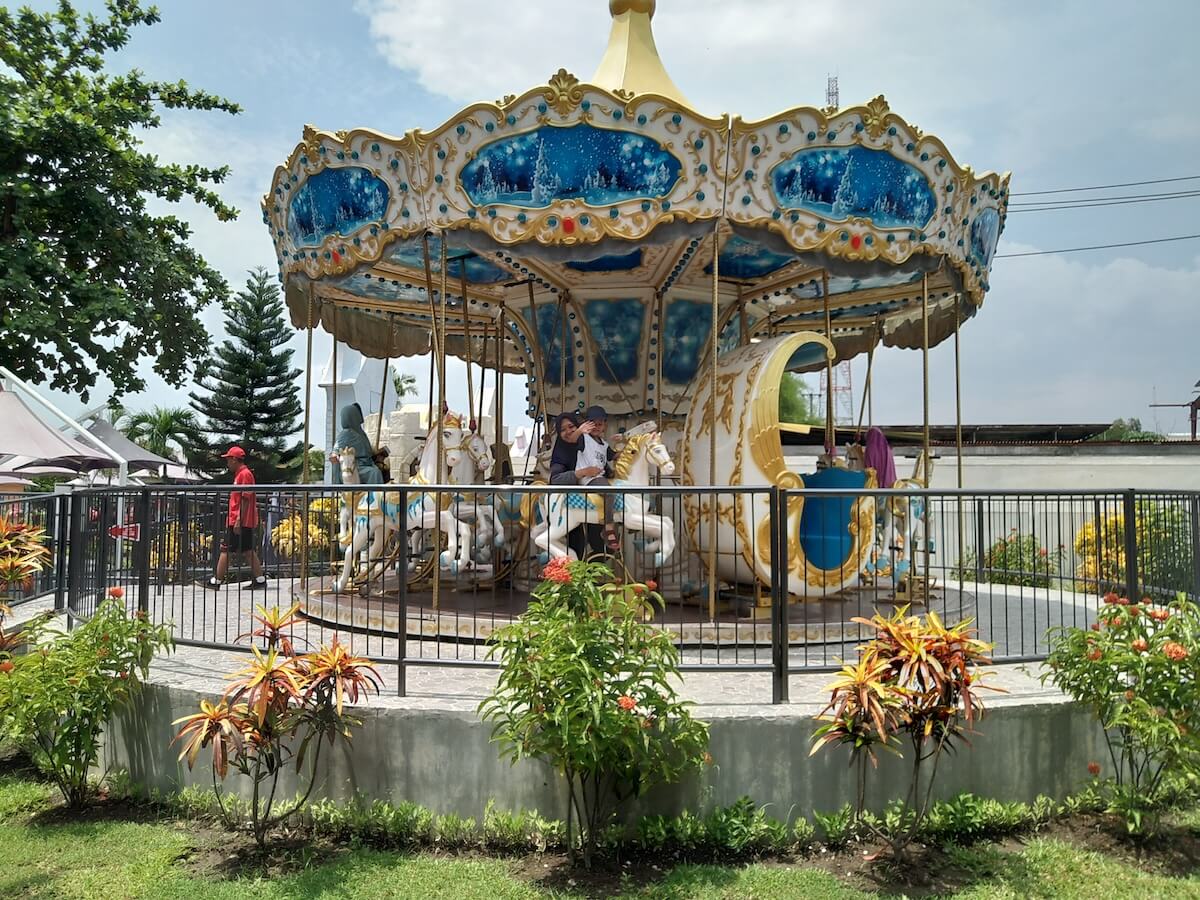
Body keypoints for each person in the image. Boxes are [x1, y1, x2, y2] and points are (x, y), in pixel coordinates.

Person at [205, 446, 267, 590]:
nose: (227, 463)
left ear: (234, 460)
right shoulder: (242, 474)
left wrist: (239, 519)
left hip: (240, 520)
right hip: (242, 519)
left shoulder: (244, 474)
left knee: (226, 548)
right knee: (247, 550)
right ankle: (260, 579)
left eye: (228, 459)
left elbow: (245, 498)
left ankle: (216, 581)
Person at [329, 403, 384, 485]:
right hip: (354, 467)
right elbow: (336, 449)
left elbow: (366, 451)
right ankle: (375, 496)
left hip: (367, 463)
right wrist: (334, 455)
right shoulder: (346, 433)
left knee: (381, 469)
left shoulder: (361, 433)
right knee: (374, 473)